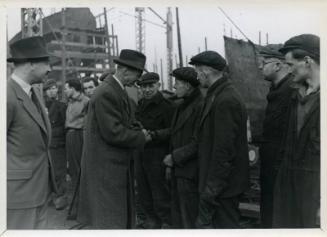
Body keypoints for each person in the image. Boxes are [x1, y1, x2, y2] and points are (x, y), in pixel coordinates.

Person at [77, 49, 151, 229]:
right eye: (137, 74)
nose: (138, 80)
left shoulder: (115, 89)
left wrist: (136, 128)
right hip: (107, 169)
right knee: (110, 218)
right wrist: (141, 137)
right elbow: (113, 132)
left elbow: (122, 121)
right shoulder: (108, 92)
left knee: (115, 215)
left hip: (112, 166)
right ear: (125, 71)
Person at [190, 51, 249, 228]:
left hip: (223, 187)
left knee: (225, 226)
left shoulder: (225, 99)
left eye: (198, 72)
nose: (197, 77)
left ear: (206, 71)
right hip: (222, 185)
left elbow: (224, 150)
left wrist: (211, 190)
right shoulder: (219, 94)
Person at [7, 36, 57, 229]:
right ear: (30, 64)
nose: (50, 69)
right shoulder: (7, 96)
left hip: (38, 190)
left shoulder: (33, 92)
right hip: (18, 195)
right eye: (46, 63)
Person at [273, 34, 320, 228]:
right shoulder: (295, 96)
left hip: (315, 193)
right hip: (290, 189)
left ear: (307, 62)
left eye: (291, 64)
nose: (289, 70)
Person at [257, 45, 294, 228]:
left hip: (280, 166)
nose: (259, 66)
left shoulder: (290, 91)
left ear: (278, 65)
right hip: (272, 163)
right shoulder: (277, 88)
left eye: (263, 62)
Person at [162, 67, 203, 228]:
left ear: (187, 85)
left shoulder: (200, 105)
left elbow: (199, 142)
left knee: (189, 218)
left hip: (191, 172)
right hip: (179, 170)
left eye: (177, 83)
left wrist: (174, 157)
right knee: (179, 216)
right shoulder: (182, 105)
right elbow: (174, 133)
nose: (174, 87)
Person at [134, 72, 174, 229]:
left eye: (151, 86)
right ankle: (152, 221)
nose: (147, 90)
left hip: (158, 154)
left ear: (158, 85)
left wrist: (154, 135)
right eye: (144, 86)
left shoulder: (167, 106)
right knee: (143, 191)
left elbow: (173, 130)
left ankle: (167, 223)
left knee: (160, 192)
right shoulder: (140, 105)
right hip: (141, 153)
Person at [43, 79, 68, 211]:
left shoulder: (61, 106)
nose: (53, 91)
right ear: (45, 91)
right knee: (46, 172)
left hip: (58, 144)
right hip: (44, 144)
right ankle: (49, 197)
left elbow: (65, 126)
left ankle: (60, 197)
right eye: (50, 89)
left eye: (54, 88)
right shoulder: (41, 105)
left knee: (59, 172)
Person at [64, 79, 89, 194]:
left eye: (66, 88)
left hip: (79, 135)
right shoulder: (70, 101)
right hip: (70, 135)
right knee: (73, 169)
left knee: (80, 168)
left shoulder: (85, 101)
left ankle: (82, 197)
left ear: (73, 89)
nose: (64, 91)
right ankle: (76, 197)